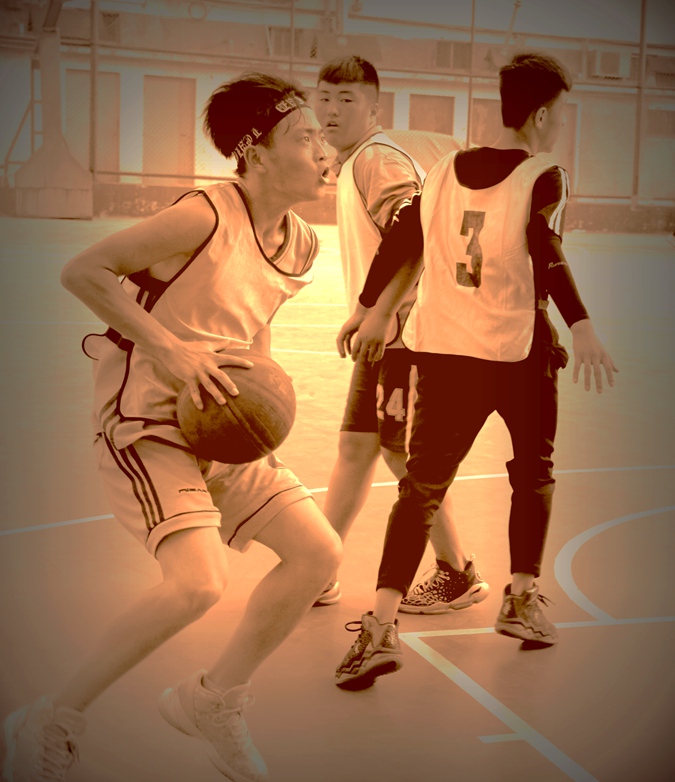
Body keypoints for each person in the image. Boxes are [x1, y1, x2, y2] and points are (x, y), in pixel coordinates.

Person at [2, 73, 342, 782]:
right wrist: (169, 349)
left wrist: (261, 393)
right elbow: (83, 270)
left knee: (318, 553)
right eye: (305, 135)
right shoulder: (203, 217)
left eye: (322, 135)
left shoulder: (303, 244)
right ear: (253, 150)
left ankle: (212, 700)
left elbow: (255, 322)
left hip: (220, 420)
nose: (323, 149)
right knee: (197, 584)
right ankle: (51, 717)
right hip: (147, 422)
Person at [334, 53, 618, 689]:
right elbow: (546, 248)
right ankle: (520, 599)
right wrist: (581, 323)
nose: (560, 124)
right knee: (533, 473)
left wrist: (367, 308)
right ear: (542, 114)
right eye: (560, 113)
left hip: (442, 352)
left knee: (421, 488)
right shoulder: (544, 174)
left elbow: (402, 239)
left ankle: (380, 627)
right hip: (517, 353)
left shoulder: (441, 172)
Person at [313, 55, 488, 614]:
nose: (332, 109)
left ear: (373, 107)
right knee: (357, 447)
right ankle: (318, 566)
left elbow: (416, 235)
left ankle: (457, 571)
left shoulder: (376, 160)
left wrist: (379, 311)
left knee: (400, 454)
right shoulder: (356, 160)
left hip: (405, 332)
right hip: (386, 332)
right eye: (324, 97)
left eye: (346, 99)